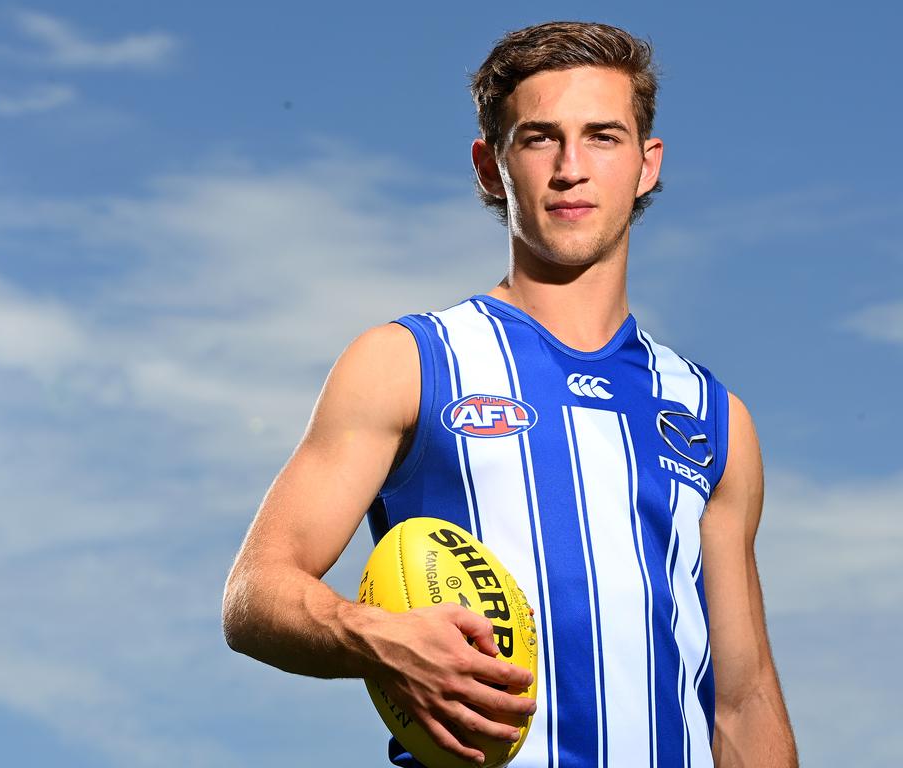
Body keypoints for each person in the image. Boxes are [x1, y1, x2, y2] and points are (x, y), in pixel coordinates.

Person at [223, 20, 798, 768]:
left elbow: (742, 700)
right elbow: (255, 593)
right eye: (537, 138)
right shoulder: (409, 362)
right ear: (491, 166)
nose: (570, 168)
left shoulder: (714, 418)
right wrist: (374, 634)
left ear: (646, 163)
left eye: (602, 137)